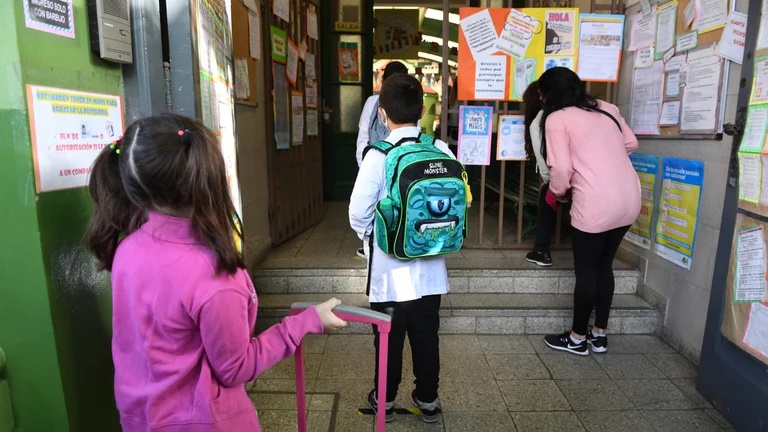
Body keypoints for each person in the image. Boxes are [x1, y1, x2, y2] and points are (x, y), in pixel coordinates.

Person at [84, 113, 347, 432]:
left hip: (141, 417)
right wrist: (306, 322)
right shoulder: (214, 275)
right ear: (208, 177)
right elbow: (235, 368)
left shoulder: (127, 249)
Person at [349, 74, 451, 424]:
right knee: (427, 336)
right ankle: (427, 400)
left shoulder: (378, 156)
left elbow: (357, 213)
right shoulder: (440, 150)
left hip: (389, 275)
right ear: (422, 111)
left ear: (381, 114)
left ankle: (386, 400)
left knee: (388, 339)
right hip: (432, 271)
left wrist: (374, 239)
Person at [538, 68, 641, 356]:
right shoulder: (608, 108)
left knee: (586, 272)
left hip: (595, 203)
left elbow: (562, 169)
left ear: (548, 94)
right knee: (604, 266)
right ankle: (599, 335)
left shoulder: (557, 119)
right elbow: (631, 143)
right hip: (629, 199)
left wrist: (557, 193)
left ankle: (576, 338)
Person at [354, 61, 410, 258]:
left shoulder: (377, 101)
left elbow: (357, 215)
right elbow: (364, 134)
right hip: (384, 160)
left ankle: (381, 242)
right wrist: (364, 164)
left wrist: (366, 164)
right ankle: (379, 241)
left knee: (381, 202)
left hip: (387, 161)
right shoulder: (373, 102)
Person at [522, 80, 557, 267]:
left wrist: (548, 183)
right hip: (587, 177)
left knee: (546, 194)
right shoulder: (566, 114)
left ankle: (541, 250)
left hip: (561, 177)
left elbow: (544, 160)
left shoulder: (540, 121)